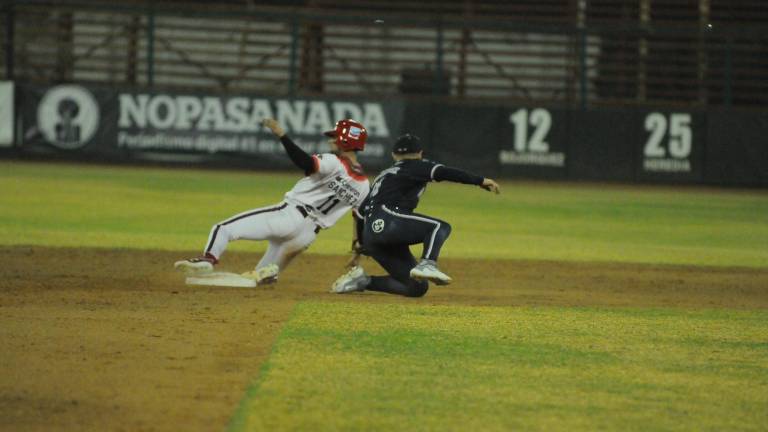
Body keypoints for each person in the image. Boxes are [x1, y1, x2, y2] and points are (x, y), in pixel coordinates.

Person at [174, 118, 370, 284]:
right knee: (257, 278)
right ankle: (265, 278)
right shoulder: (364, 185)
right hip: (305, 237)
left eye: (335, 136)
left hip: (288, 216)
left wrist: (281, 135)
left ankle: (207, 259)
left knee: (223, 228)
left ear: (345, 140)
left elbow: (305, 162)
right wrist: (357, 251)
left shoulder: (334, 162)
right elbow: (360, 219)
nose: (331, 140)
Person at [330, 133, 500, 297]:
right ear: (420, 153)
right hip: (389, 221)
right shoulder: (417, 165)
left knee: (416, 287)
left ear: (393, 154)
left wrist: (359, 246)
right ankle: (428, 263)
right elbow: (446, 172)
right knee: (439, 227)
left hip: (372, 237)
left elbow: (359, 213)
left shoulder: (385, 174)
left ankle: (363, 281)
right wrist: (480, 181)